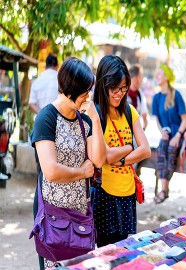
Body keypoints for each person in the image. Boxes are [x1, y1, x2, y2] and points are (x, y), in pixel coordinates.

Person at [31, 57, 106, 269]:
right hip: (53, 214)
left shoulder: (85, 119)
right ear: (70, 90)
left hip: (80, 211)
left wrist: (96, 119)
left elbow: (99, 159)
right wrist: (82, 171)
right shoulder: (46, 118)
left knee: (78, 265)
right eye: (84, 92)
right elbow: (51, 170)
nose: (88, 97)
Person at [92, 55, 151, 247]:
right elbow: (106, 156)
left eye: (124, 88)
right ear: (103, 85)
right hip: (104, 194)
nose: (119, 93)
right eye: (114, 88)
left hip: (127, 192)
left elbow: (146, 150)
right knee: (103, 251)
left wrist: (124, 160)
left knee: (122, 250)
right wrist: (129, 147)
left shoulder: (129, 111)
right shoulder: (95, 113)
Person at [152, 64, 186, 204]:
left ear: (166, 77)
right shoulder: (156, 98)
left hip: (178, 133)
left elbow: (184, 120)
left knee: (171, 149)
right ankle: (164, 189)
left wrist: (178, 135)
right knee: (161, 150)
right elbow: (156, 120)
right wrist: (162, 132)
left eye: (160, 74)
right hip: (166, 133)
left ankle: (164, 190)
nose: (157, 77)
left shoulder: (176, 95)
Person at [128, 64, 148, 130]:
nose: (142, 80)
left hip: (134, 134)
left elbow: (145, 118)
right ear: (135, 78)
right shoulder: (122, 93)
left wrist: (142, 130)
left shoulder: (140, 94)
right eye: (141, 77)